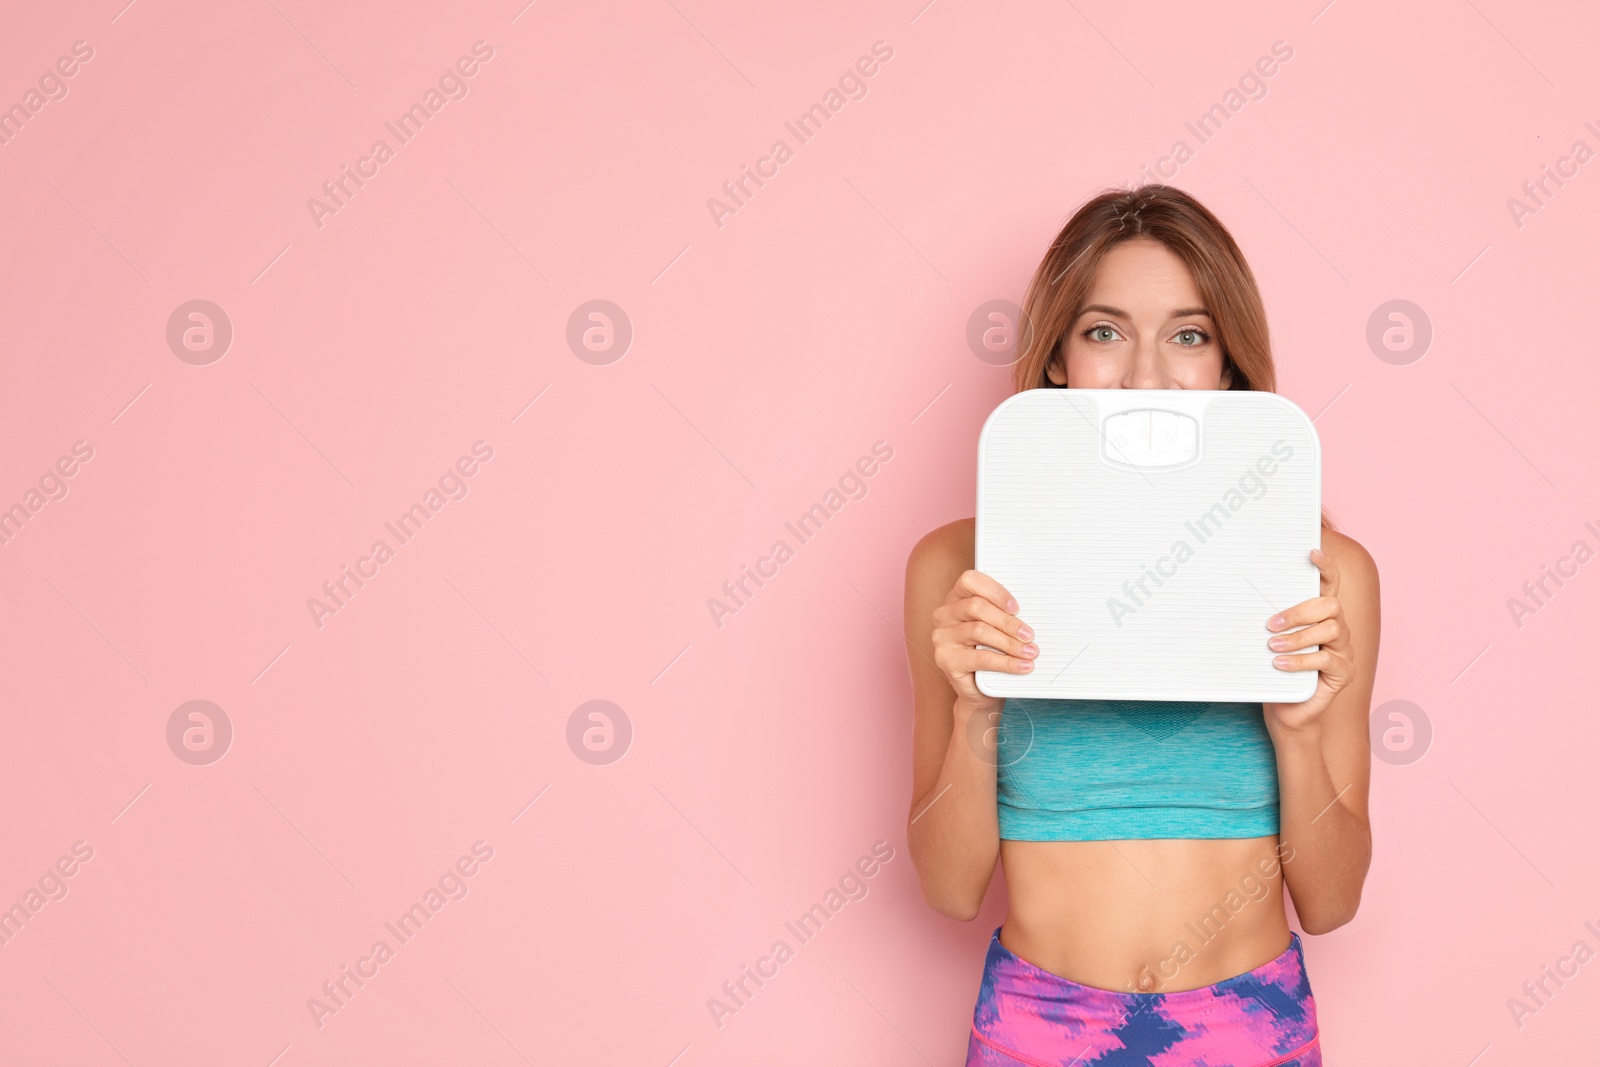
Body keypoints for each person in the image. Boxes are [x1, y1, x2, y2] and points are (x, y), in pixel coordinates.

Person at [902, 184, 1380, 1066]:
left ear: (1229, 365)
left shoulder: (1322, 576)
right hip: (1034, 1029)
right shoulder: (960, 571)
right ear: (1056, 359)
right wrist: (975, 712)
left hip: (1251, 1030)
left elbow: (1333, 900)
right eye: (1105, 332)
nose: (1148, 376)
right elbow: (947, 885)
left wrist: (1300, 734)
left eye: (1189, 336)